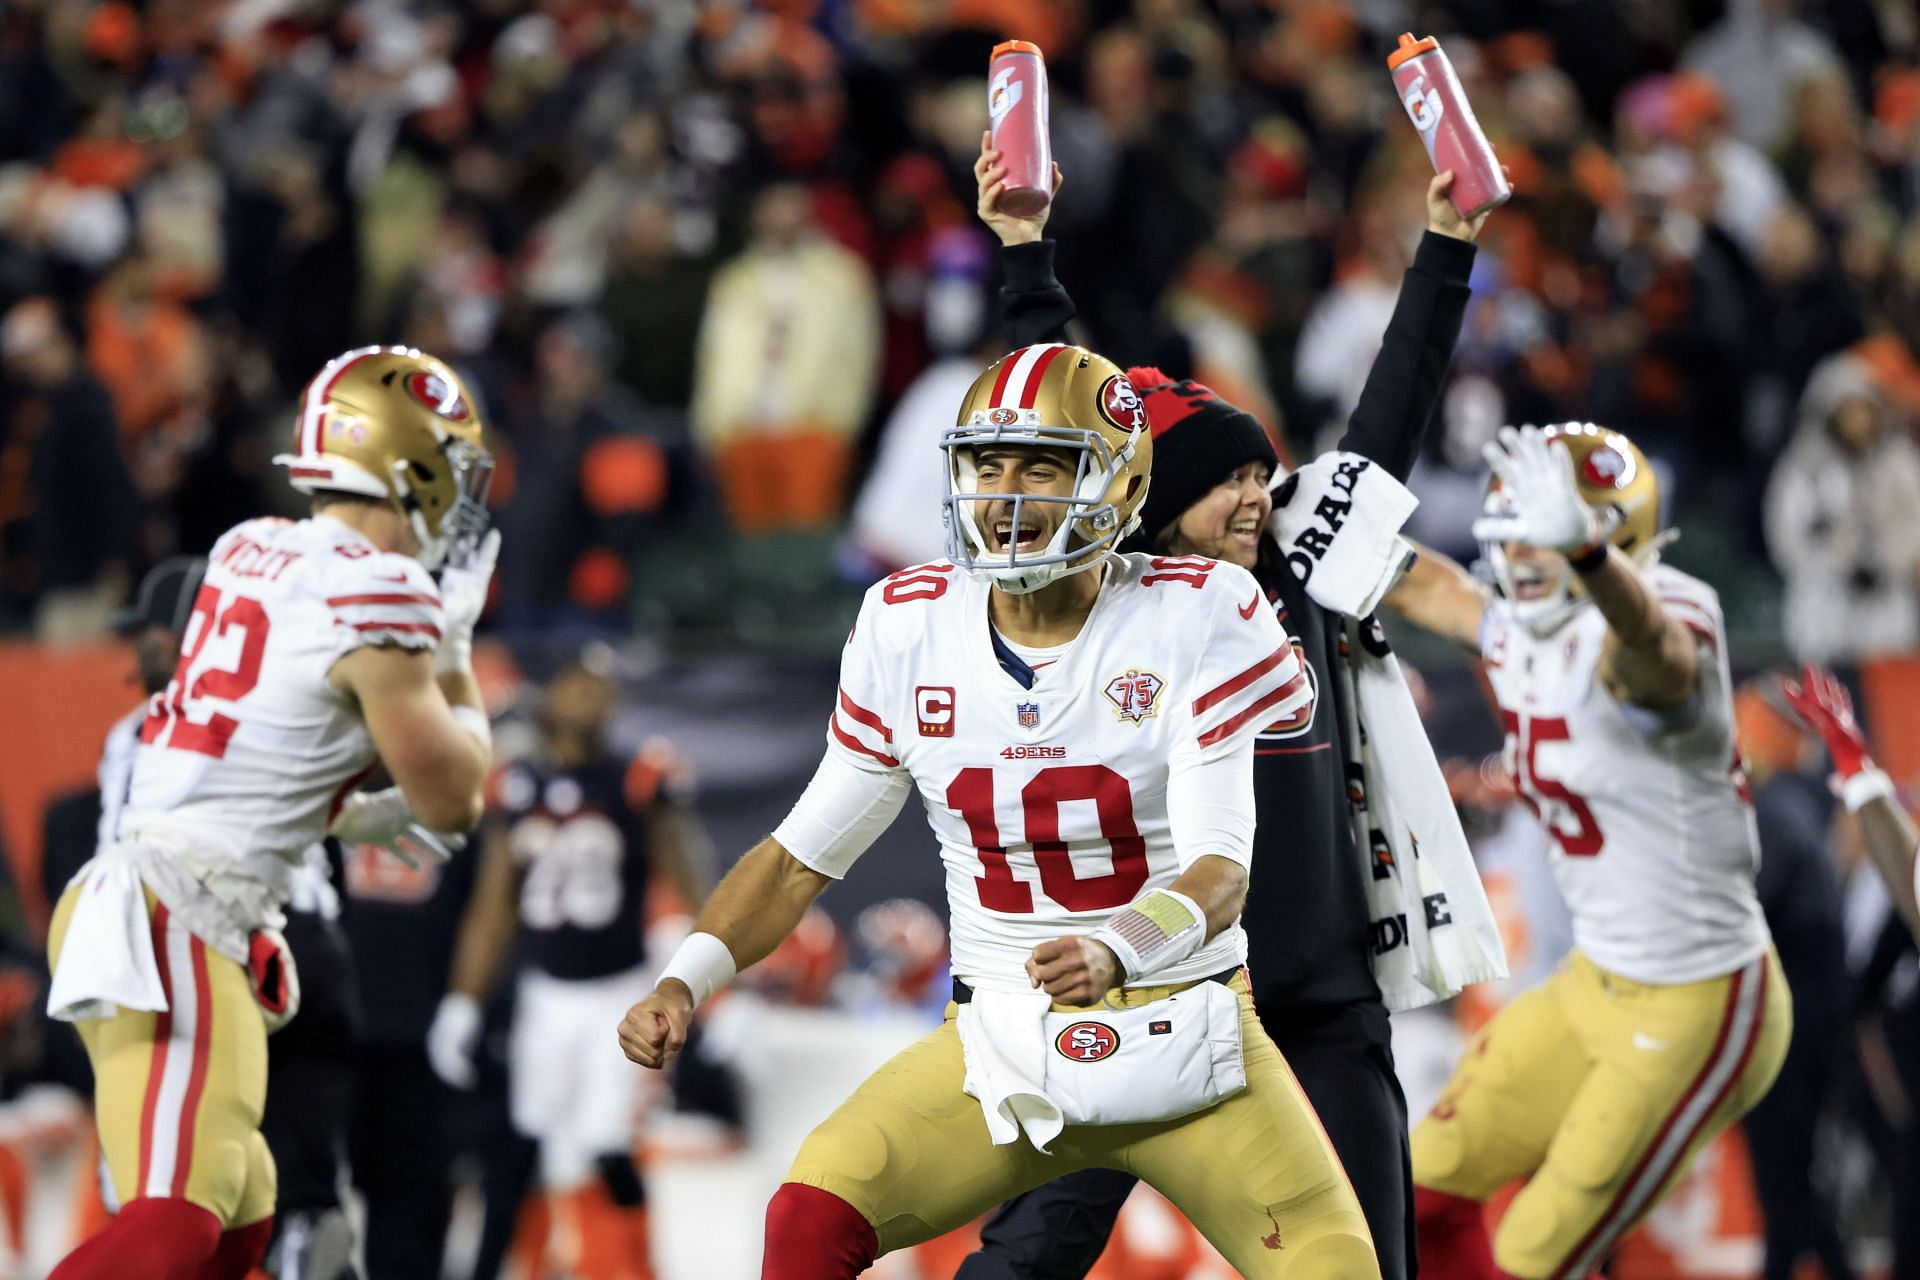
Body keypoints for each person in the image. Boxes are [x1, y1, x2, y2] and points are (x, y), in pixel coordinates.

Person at [620, 343, 1382, 1279]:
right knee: (808, 1219)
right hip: (999, 1043)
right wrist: (684, 981)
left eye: (1042, 465)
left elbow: (1221, 873)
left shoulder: (1196, 612)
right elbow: (797, 859)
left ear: (1118, 480)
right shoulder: (908, 626)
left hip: (1190, 1038)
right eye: (988, 464)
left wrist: (1116, 948)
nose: (1005, 494)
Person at [959, 138, 1491, 1280]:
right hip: (1152, 989)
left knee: (1369, 1268)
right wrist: (1024, 254)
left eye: (1259, 472)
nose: (1257, 493)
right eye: (1226, 478)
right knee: (1022, 1261)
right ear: (1150, 500)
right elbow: (1058, 403)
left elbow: (1386, 423)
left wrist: (1447, 245)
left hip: (1315, 996)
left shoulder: (1294, 573)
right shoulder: (1103, 601)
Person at [42, 345, 498, 1280]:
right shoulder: (383, 592)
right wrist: (453, 651)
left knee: (244, 1224)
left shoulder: (250, 548)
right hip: (178, 918)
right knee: (176, 1225)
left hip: (170, 903)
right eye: (448, 463)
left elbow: (251, 750)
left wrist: (338, 814)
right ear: (409, 466)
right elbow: (457, 795)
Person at [1386, 423, 1792, 1279]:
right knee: (1421, 1187)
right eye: (1517, 539)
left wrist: (1594, 557)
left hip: (1700, 998)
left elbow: (1657, 664)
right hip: (1594, 981)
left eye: (1551, 537)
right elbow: (1432, 591)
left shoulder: (1668, 609)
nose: (1527, 560)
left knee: (1537, 1249)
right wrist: (1294, 513)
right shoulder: (1526, 630)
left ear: (1616, 537)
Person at [427, 662, 712, 1280]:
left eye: (599, 684)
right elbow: (494, 905)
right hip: (544, 994)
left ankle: (631, 1268)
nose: (589, 695)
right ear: (547, 693)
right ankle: (533, 1267)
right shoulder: (517, 784)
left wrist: (719, 993)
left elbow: (691, 886)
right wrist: (463, 1000)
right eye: (576, 680)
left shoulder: (637, 779)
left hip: (621, 990)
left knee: (609, 1148)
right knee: (531, 1147)